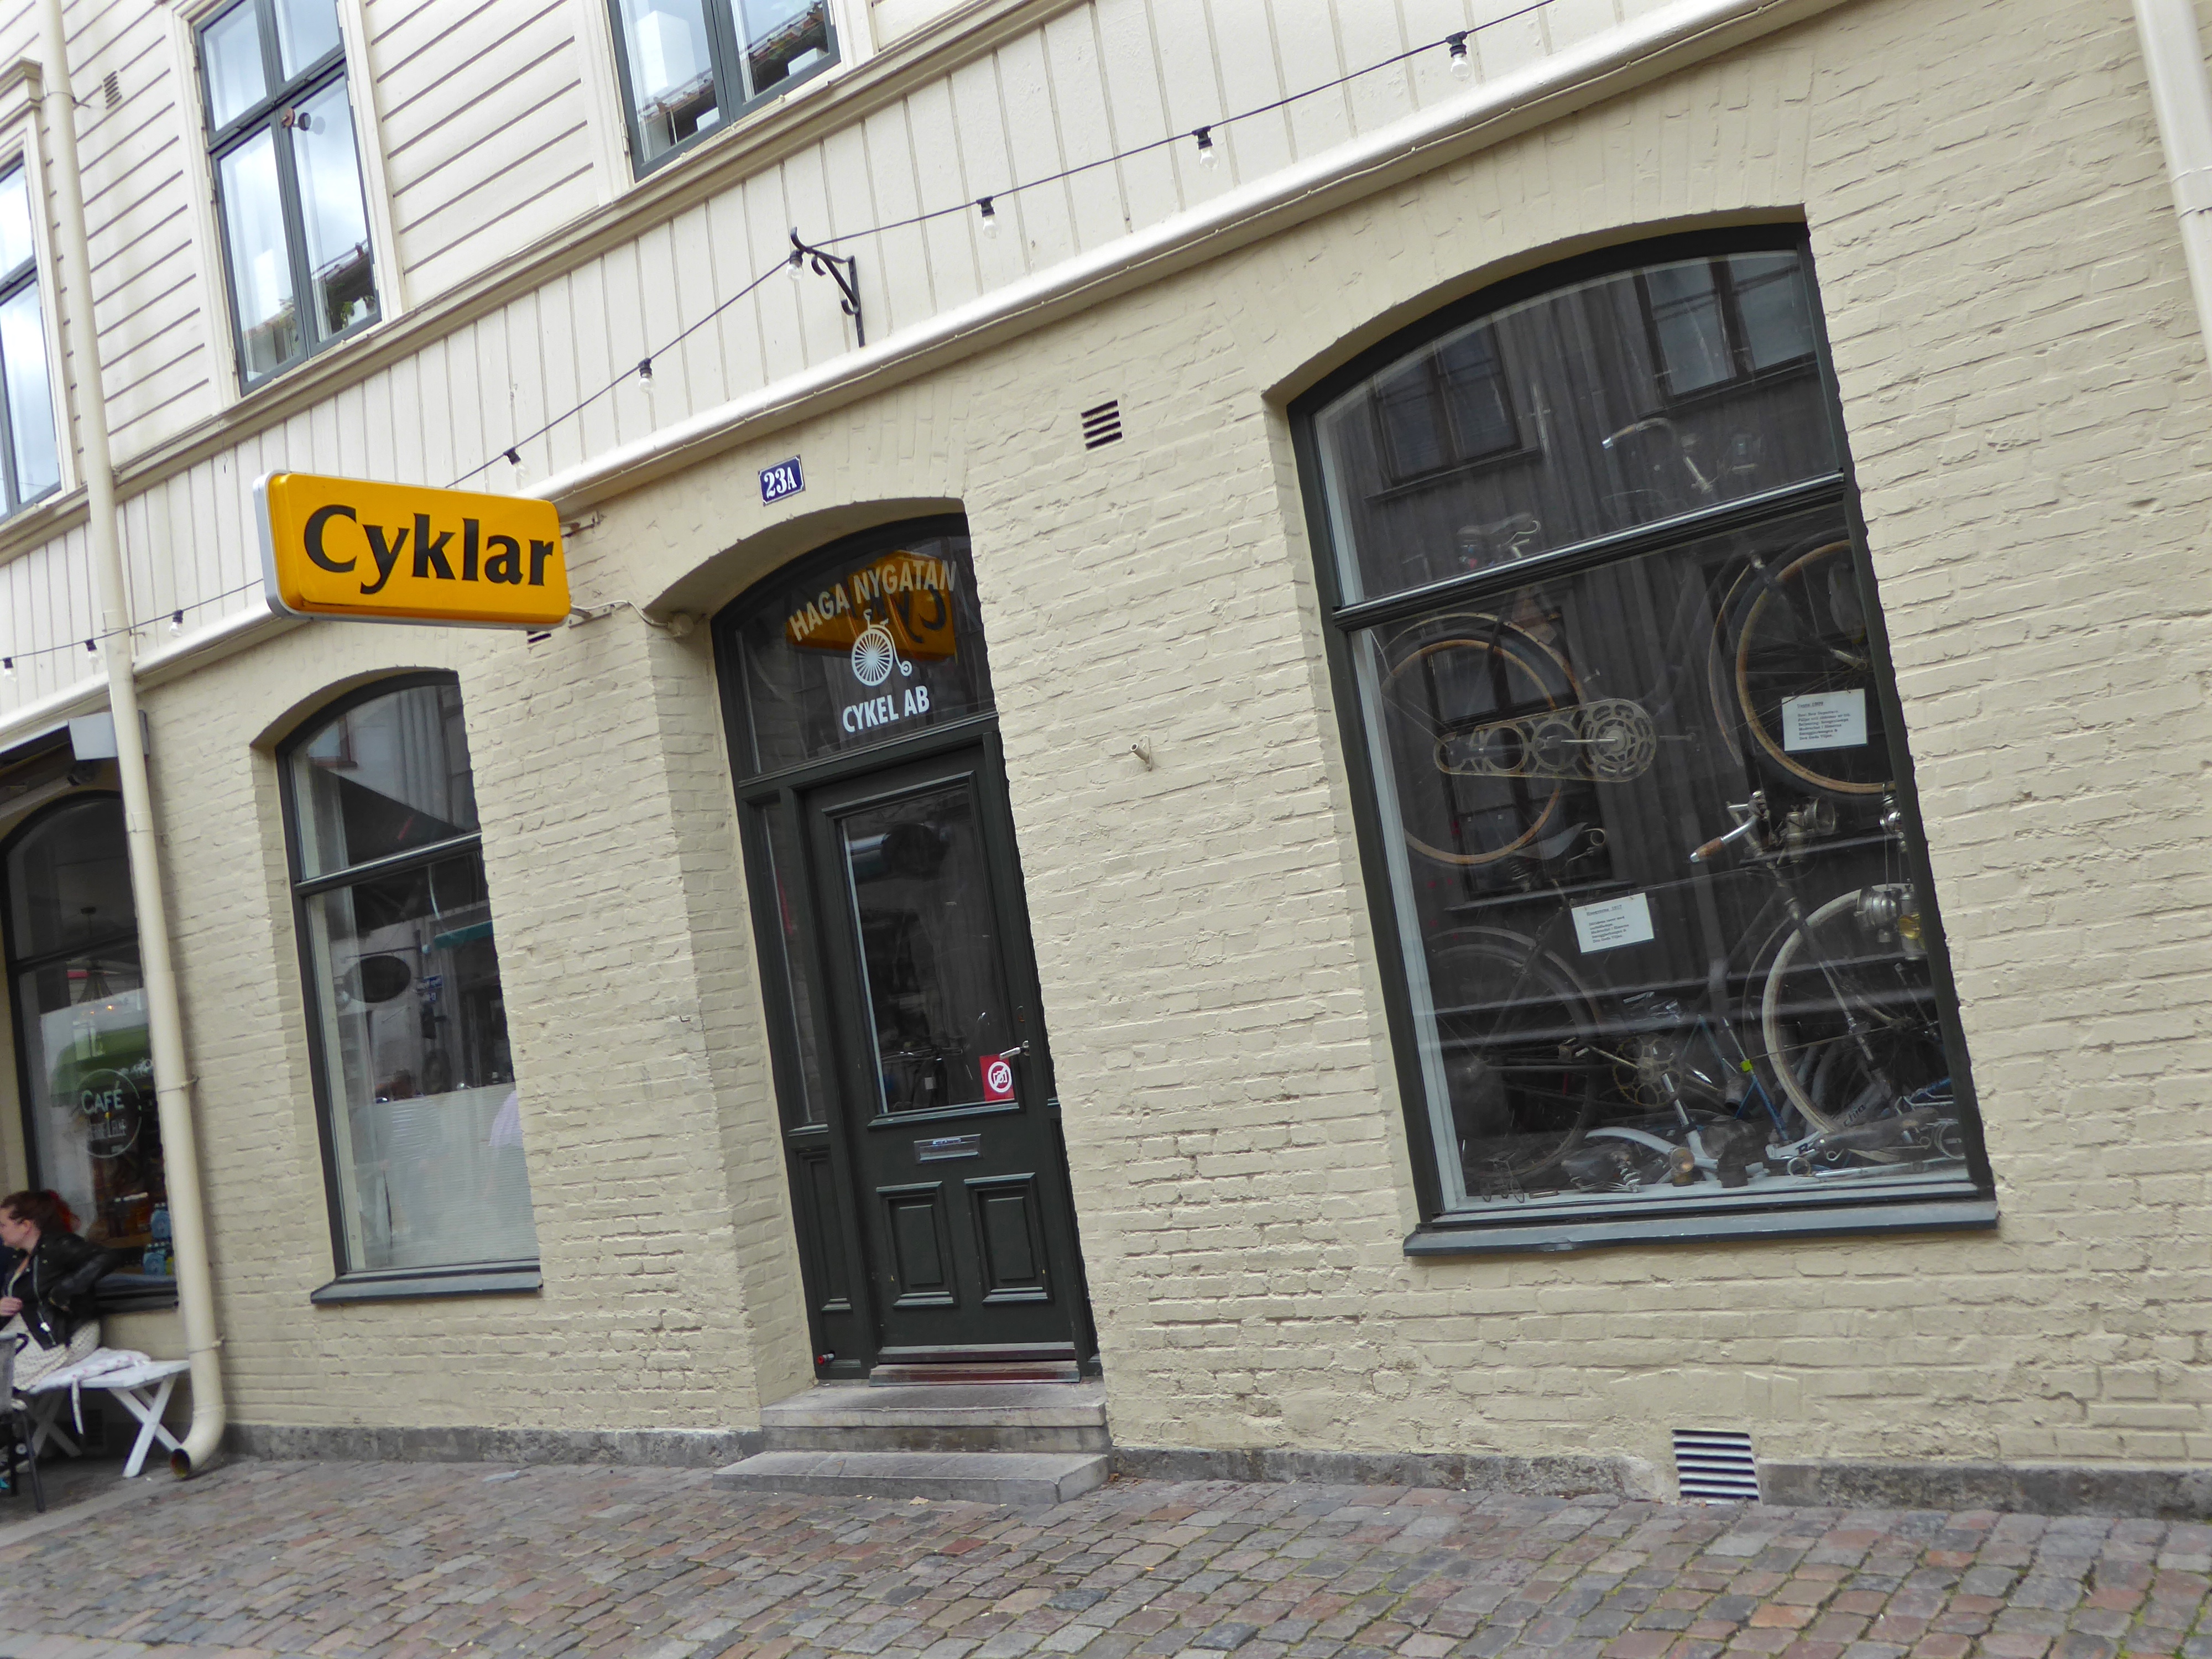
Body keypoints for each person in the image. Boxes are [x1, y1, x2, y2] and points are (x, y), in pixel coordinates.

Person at [0, 1191, 116, 1391]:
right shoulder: (19, 1259)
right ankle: (16, 1409)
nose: (0, 1231)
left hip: (61, 1337)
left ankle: (14, 1410)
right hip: (30, 1334)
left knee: (4, 1380)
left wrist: (66, 1289)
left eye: (3, 1225)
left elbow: (106, 1257)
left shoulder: (58, 1246)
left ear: (25, 1226)